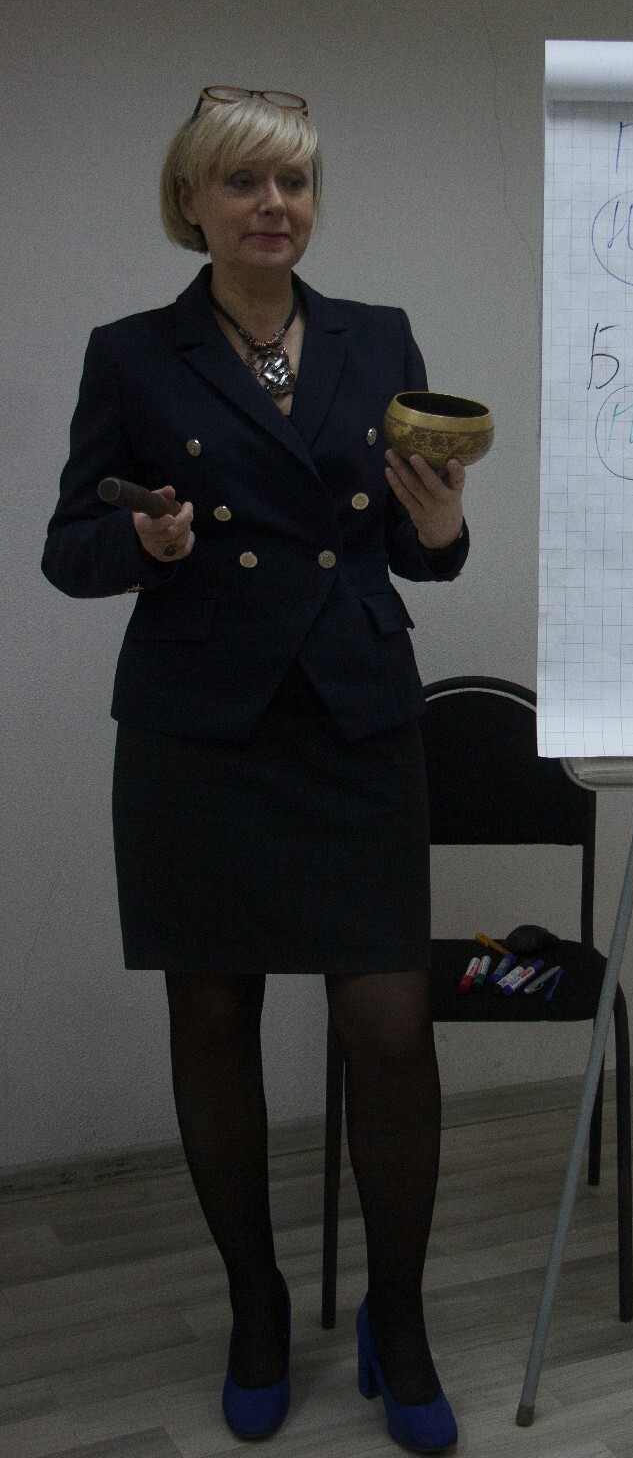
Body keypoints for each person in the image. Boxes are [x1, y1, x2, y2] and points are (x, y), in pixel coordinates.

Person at [42, 86, 467, 1452]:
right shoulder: (132, 354)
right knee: (213, 1024)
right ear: (193, 204)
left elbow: (415, 548)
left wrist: (442, 529)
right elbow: (67, 547)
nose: (274, 206)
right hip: (202, 728)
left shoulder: (376, 336)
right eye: (244, 183)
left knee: (391, 1031)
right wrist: (141, 544)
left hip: (353, 721)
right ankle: (257, 1306)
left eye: (294, 184)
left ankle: (399, 1318)